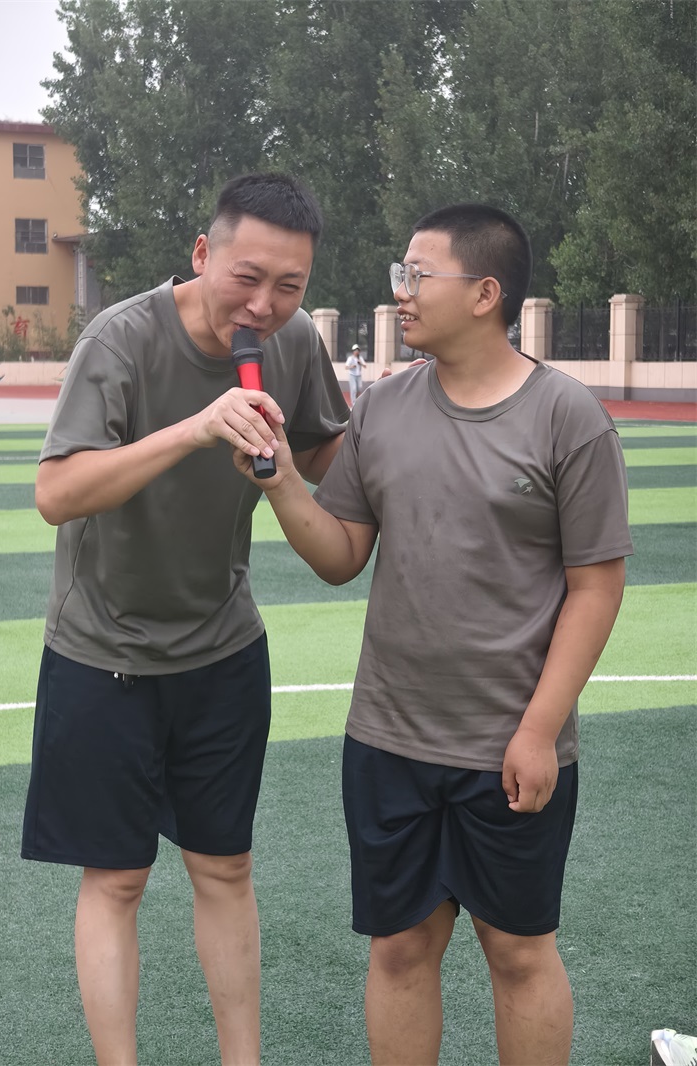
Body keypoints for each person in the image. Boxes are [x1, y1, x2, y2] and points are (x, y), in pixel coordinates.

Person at [234, 203, 633, 1065]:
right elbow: (342, 556)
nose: (401, 293)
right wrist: (282, 483)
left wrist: (538, 731)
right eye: (400, 274)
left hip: (511, 746)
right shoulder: (381, 409)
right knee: (400, 948)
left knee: (518, 952)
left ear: (486, 294)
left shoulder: (568, 418)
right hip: (389, 740)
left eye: (418, 275)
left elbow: (596, 589)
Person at [21, 173, 349, 1066]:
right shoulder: (120, 338)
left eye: (290, 286)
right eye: (247, 277)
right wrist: (198, 429)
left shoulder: (291, 344)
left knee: (226, 867)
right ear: (203, 254)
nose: (264, 304)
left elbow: (331, 448)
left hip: (223, 646)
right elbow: (56, 493)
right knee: (118, 879)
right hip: (103, 650)